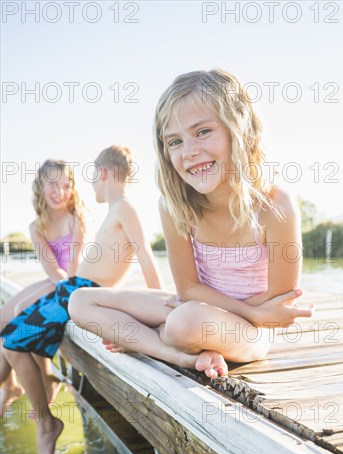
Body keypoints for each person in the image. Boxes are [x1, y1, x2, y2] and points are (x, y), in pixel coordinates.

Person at [69, 69, 315, 382]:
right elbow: (187, 288)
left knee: (183, 323)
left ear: (238, 129)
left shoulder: (274, 205)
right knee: (79, 301)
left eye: (202, 132)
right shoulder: (175, 206)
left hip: (250, 330)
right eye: (175, 141)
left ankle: (158, 338)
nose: (189, 152)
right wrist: (235, 308)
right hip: (195, 306)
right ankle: (175, 353)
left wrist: (250, 314)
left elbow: (277, 303)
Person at [1, 145, 165, 454]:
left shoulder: (123, 209)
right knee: (11, 341)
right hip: (74, 290)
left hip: (80, 291)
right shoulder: (116, 210)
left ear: (102, 174)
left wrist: (160, 306)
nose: (89, 186)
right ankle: (41, 412)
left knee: (12, 343)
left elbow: (144, 253)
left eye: (90, 178)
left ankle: (46, 422)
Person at [0, 159, 86, 416]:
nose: (59, 192)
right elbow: (52, 270)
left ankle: (45, 377)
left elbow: (71, 272)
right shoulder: (36, 226)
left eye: (65, 185)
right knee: (4, 316)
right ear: (40, 186)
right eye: (52, 184)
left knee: (19, 310)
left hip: (75, 284)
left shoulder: (77, 219)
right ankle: (14, 384)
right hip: (54, 279)